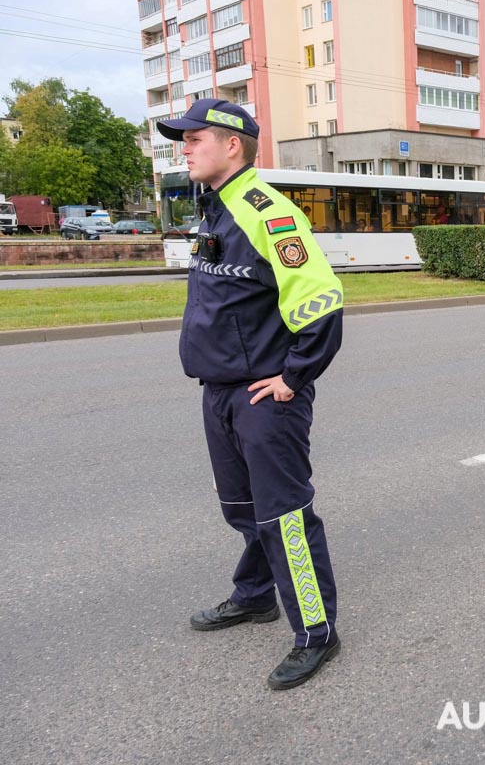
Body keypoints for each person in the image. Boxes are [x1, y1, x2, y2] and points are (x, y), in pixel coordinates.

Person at [158, 98, 344, 691]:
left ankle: (317, 633)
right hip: (220, 392)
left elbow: (321, 300)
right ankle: (256, 594)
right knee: (242, 508)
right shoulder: (213, 209)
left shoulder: (269, 213)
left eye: (194, 139)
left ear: (231, 144)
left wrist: (294, 376)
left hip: (266, 398)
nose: (183, 148)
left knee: (285, 518)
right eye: (182, 140)